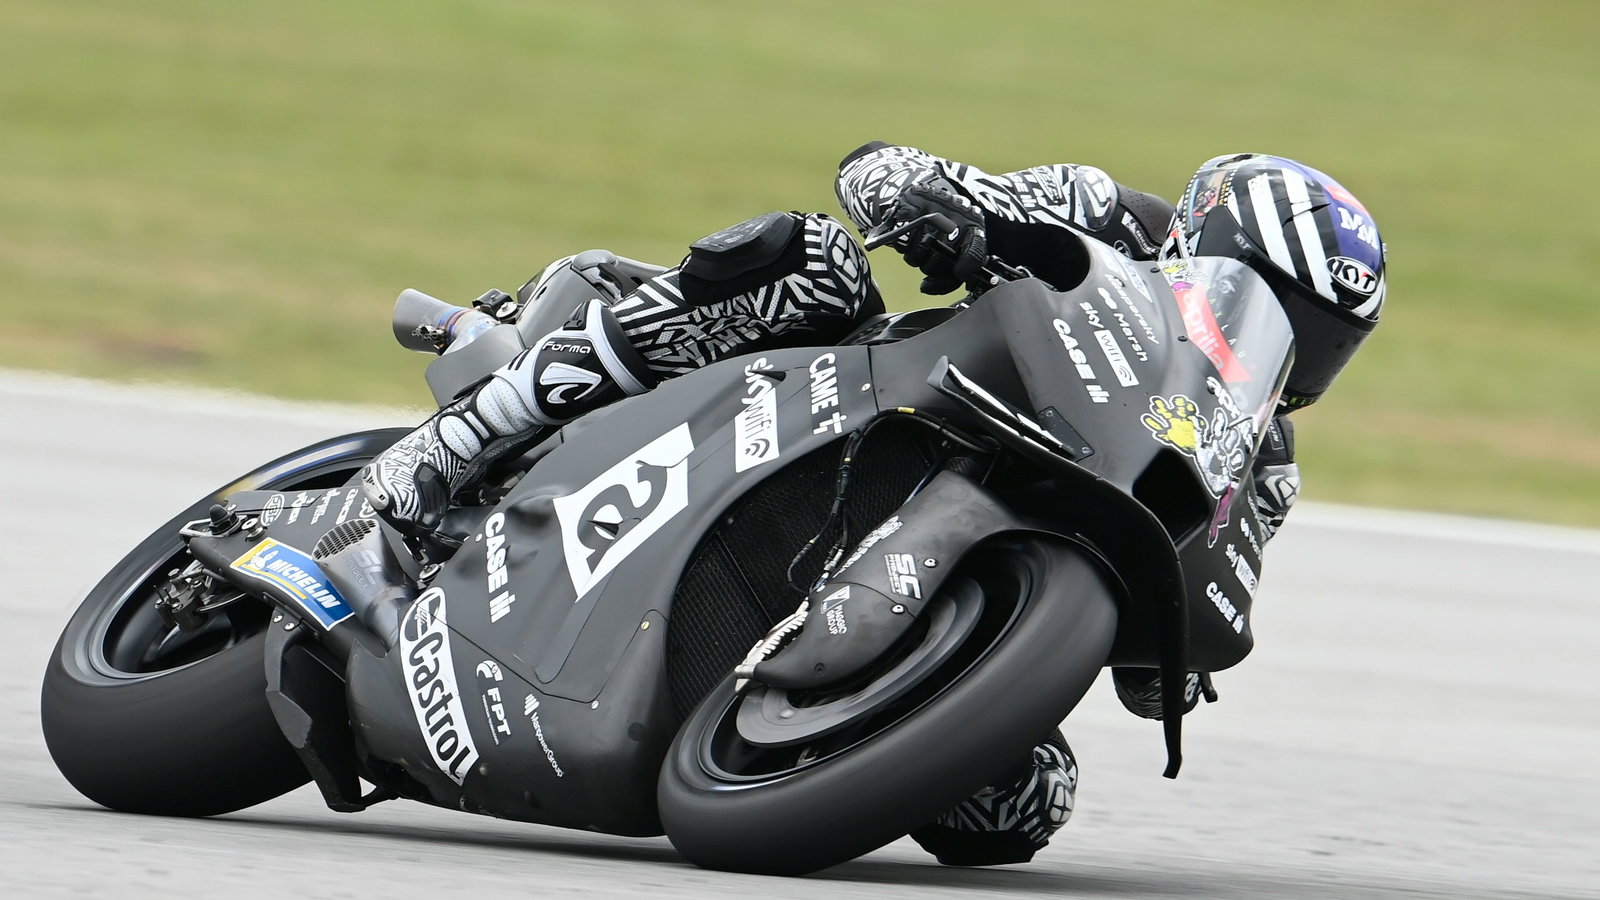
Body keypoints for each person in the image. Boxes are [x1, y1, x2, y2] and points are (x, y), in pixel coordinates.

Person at [360, 142, 1387, 866]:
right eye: (1277, 299)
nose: (1293, 339)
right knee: (809, 259)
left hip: (1013, 524)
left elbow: (1206, 587)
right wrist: (933, 201)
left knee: (1017, 812)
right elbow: (886, 173)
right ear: (1204, 234)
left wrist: (1179, 665)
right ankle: (473, 431)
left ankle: (773, 721)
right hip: (878, 390)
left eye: (1322, 333)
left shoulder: (1261, 449)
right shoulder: (1109, 215)